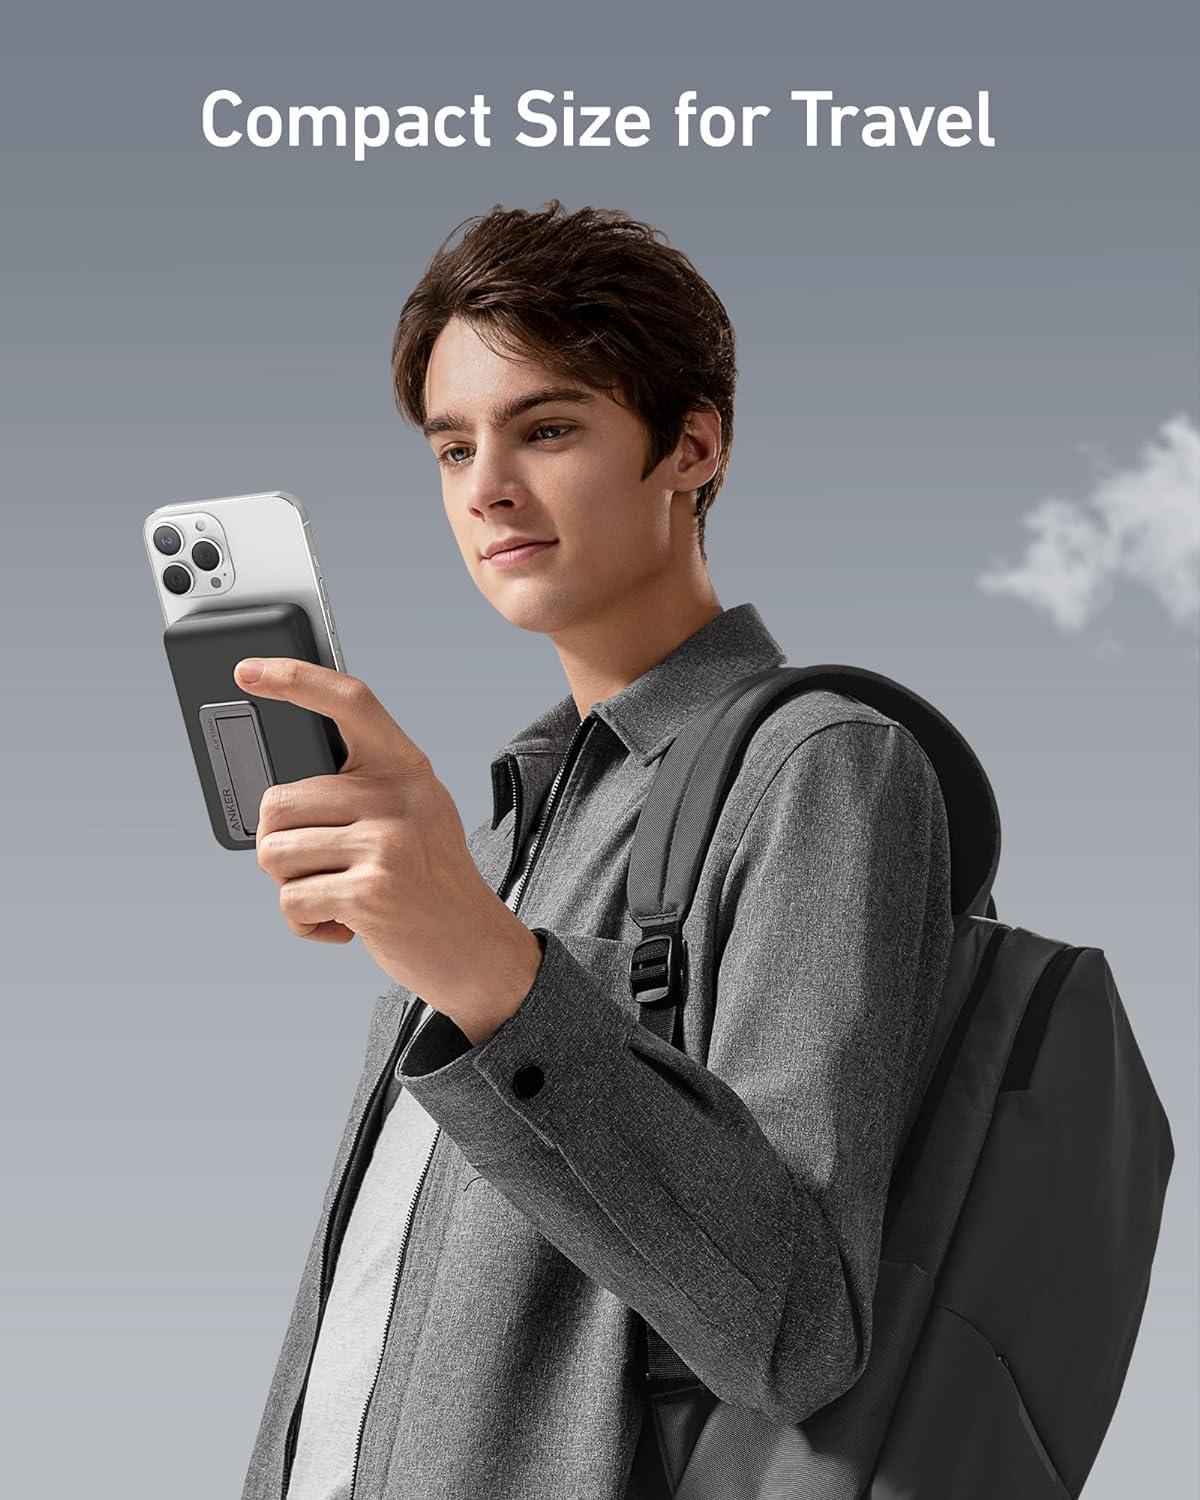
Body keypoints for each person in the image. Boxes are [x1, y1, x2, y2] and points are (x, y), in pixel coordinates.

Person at [238, 199, 954, 1500]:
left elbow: (798, 1328)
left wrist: (497, 982)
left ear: (693, 444)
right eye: (453, 448)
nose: (487, 489)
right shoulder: (505, 820)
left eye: (547, 427)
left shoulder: (823, 765)